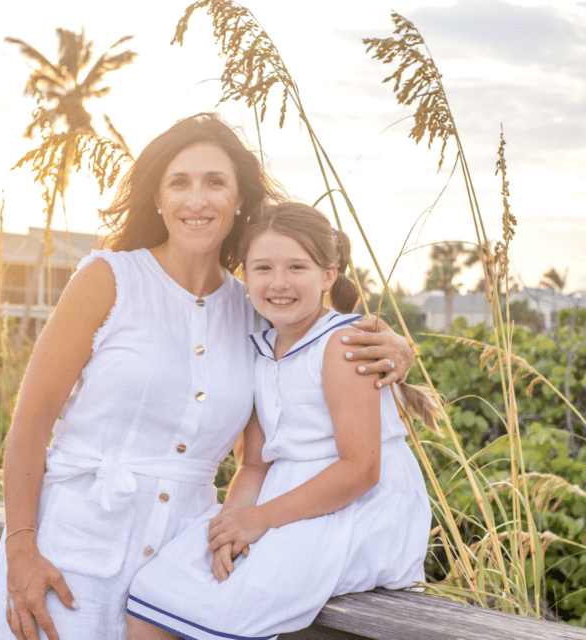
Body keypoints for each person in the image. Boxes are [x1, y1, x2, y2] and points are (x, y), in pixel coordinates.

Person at [0, 113, 415, 640]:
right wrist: (22, 548)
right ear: (158, 199)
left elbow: (315, 334)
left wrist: (395, 346)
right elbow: (29, 426)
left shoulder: (254, 307)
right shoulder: (107, 279)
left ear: (239, 200)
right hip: (68, 555)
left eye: (215, 182)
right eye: (179, 183)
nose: (197, 200)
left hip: (180, 563)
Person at [126, 202, 440, 640]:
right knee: (155, 589)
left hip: (357, 511)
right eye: (263, 268)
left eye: (297, 267)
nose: (278, 283)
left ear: (328, 275)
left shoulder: (342, 344)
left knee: (228, 609)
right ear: (245, 276)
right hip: (282, 501)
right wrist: (230, 529)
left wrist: (259, 520)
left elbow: (361, 470)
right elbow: (254, 465)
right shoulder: (259, 346)